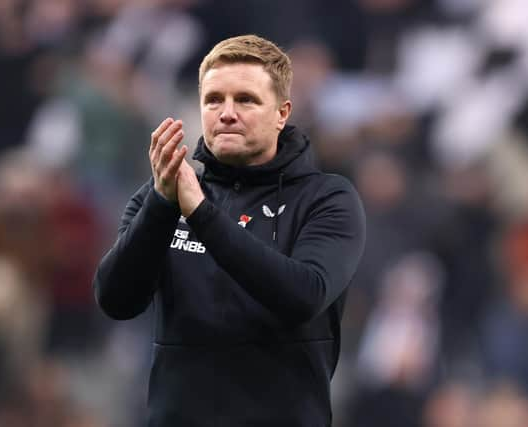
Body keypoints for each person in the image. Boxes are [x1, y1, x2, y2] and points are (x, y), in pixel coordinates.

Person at [93, 34, 366, 426]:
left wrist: (201, 214)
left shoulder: (326, 198)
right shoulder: (164, 196)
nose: (226, 112)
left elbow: (304, 295)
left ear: (282, 113)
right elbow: (116, 300)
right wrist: (161, 204)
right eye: (213, 99)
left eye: (246, 100)